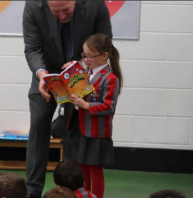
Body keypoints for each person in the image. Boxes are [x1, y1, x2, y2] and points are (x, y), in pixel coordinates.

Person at [22, 1, 112, 197]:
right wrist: (41, 74)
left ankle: (72, 193)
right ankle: (32, 191)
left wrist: (81, 64)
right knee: (38, 128)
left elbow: (105, 42)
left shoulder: (95, 5)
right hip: (46, 74)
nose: (62, 16)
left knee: (75, 132)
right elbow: (32, 48)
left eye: (66, 11)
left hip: (81, 73)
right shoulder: (33, 6)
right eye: (56, 12)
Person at [68, 33, 123, 198]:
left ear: (105, 56)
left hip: (97, 132)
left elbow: (108, 107)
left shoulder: (110, 78)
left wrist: (85, 105)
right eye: (84, 55)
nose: (85, 60)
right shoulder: (86, 74)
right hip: (83, 129)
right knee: (82, 168)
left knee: (95, 170)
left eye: (89, 56)